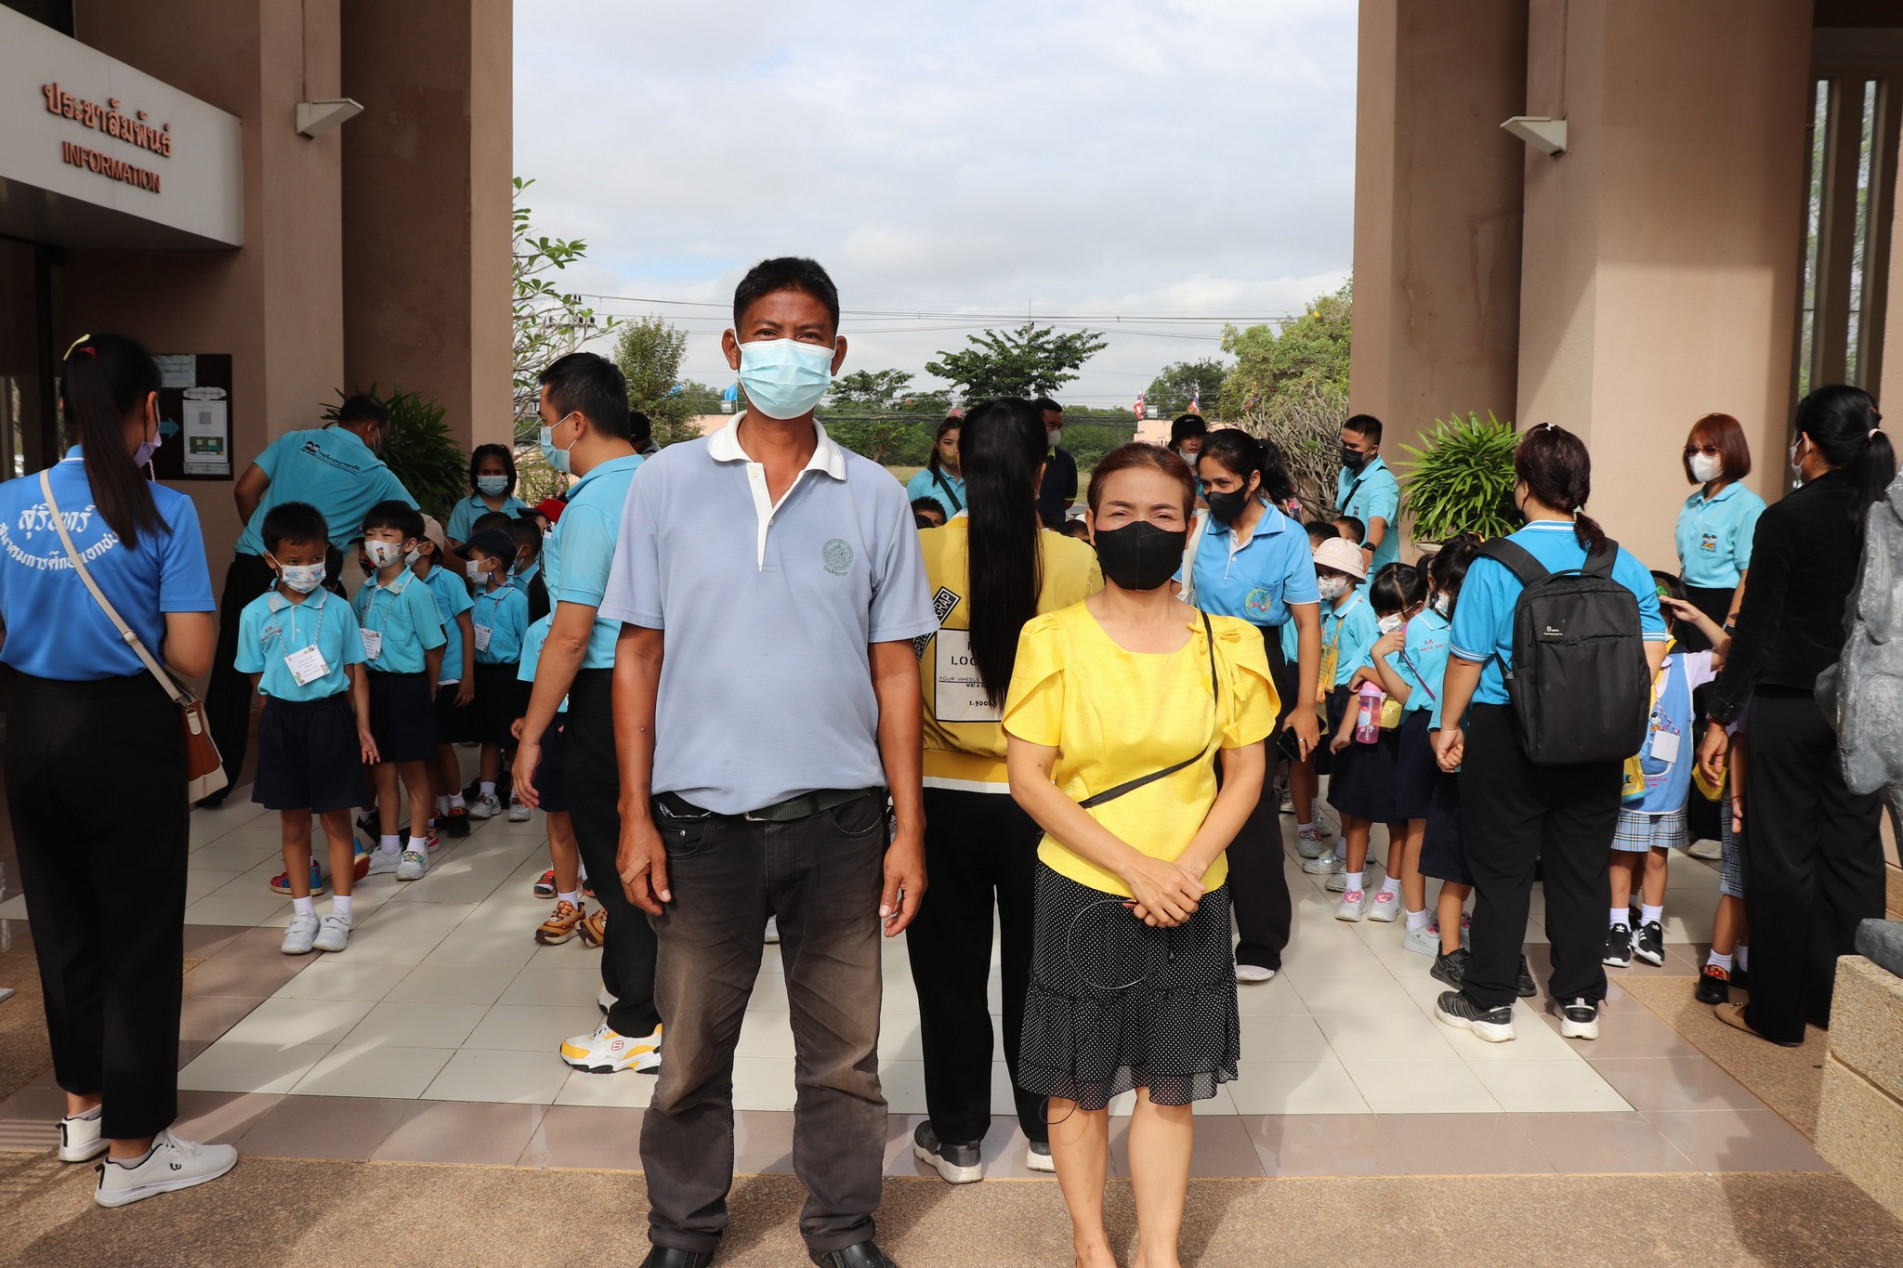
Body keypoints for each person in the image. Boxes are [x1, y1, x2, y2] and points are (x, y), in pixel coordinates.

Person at [601, 257, 934, 1268]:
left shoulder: (872, 495)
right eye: (768, 332)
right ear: (733, 347)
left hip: (841, 825)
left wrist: (909, 828)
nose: (788, 351)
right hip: (699, 827)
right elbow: (637, 655)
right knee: (690, 1053)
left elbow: (895, 671)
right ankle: (683, 1230)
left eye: (809, 335)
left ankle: (841, 1227)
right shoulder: (666, 483)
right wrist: (633, 812)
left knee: (843, 1058)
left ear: (837, 353)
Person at [1002, 443, 1273, 1268]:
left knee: (1169, 1081)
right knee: (1077, 1080)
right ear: (1090, 524)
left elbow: (1245, 772)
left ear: (1189, 526)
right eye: (1120, 512)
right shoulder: (1051, 638)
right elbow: (1028, 777)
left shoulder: (1230, 642)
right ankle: (1091, 1242)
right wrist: (1136, 868)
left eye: (1161, 513)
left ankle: (1158, 1250)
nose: (1140, 529)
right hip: (1082, 884)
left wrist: (1182, 870)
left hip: (1193, 890)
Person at [0, 332, 235, 1204]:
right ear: (149, 409)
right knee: (137, 932)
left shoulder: (6, 502)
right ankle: (135, 1154)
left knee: (61, 924)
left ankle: (83, 1112)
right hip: (124, 733)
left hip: (31, 724)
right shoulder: (163, 510)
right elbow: (192, 656)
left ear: (65, 409)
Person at [906, 397, 1102, 1184]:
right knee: (1043, 971)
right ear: (1042, 470)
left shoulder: (919, 552)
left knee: (948, 973)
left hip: (937, 795)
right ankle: (1046, 1131)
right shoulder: (1076, 564)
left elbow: (889, 670)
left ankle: (957, 1137)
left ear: (958, 462)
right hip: (1044, 800)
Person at [1433, 424, 1668, 1044]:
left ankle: (1490, 1002)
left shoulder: (1494, 564)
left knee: (1503, 870)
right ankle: (1580, 999)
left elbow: (1465, 661)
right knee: (1583, 869)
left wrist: (1448, 725)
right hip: (1598, 740)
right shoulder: (1622, 562)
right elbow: (1650, 653)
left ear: (1524, 486)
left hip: (1506, 732)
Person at [1700, 385, 1894, 1046]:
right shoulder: (1887, 516)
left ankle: (1776, 1013)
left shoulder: (1787, 518)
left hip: (1790, 707)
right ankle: (1843, 1008)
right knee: (1853, 856)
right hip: (1865, 711)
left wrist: (1721, 718)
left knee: (1781, 859)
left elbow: (1755, 632)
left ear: (1806, 443)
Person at [508, 351, 657, 1074]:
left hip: (606, 692)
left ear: (575, 421)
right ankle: (631, 983)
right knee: (649, 844)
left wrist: (531, 735)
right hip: (665, 688)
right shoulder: (661, 484)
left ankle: (639, 1024)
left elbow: (570, 635)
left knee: (618, 856)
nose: (542, 436)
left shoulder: (593, 505)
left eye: (543, 419)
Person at [204, 394, 414, 805]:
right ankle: (325, 769)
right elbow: (409, 523)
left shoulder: (294, 440)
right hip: (316, 581)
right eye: (382, 436)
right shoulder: (378, 473)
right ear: (373, 430)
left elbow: (244, 490)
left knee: (233, 667)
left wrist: (274, 550)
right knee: (329, 671)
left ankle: (214, 782)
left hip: (253, 564)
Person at [1182, 428, 1321, 981]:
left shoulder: (1287, 536)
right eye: (1205, 483)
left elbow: (1307, 625)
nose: (1211, 492)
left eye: (1223, 483)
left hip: (1261, 667)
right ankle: (1194, 921)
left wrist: (1304, 705)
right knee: (1194, 791)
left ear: (1253, 479)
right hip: (1197, 661)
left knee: (1253, 801)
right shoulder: (1198, 529)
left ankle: (1262, 937)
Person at [236, 502, 378, 954]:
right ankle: (302, 915)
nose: (307, 569)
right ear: (271, 560)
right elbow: (254, 674)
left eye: (315, 559)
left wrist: (363, 728)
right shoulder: (255, 613)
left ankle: (341, 913)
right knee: (293, 822)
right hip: (281, 720)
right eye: (294, 561)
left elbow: (357, 672)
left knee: (336, 818)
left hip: (331, 718)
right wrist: (278, 708)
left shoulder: (337, 609)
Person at [1605, 574, 1730, 970]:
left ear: (1673, 622)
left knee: (1657, 857)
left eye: (1661, 617)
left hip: (1668, 788)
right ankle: (1618, 924)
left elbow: (1732, 652)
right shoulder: (1619, 663)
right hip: (1627, 783)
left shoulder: (1685, 666)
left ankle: (1651, 925)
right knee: (1622, 856)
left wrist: (1698, 616)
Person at [352, 500, 446, 882]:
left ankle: (417, 846)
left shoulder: (416, 593)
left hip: (409, 686)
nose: (376, 542)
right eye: (370, 535)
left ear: (408, 545)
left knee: (413, 770)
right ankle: (389, 846)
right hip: (375, 687)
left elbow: (434, 647)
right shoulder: (365, 592)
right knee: (383, 770)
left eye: (386, 535)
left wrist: (428, 688)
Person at [1337, 562, 1424, 923]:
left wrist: (1371, 668)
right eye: (1379, 611)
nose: (1383, 619)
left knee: (1397, 821)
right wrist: (1344, 732)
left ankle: (1390, 891)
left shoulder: (1422, 638)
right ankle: (1353, 888)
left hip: (1401, 740)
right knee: (1358, 815)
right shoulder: (1376, 637)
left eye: (1391, 611)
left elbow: (1409, 692)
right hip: (1367, 734)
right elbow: (1357, 687)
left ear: (1416, 607)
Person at [1297, 538, 1380, 893]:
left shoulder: (1360, 612)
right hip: (1331, 695)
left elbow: (1372, 659)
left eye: (1330, 573)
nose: (1323, 579)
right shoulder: (1330, 611)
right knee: (1339, 778)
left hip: (1353, 698)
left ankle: (1353, 852)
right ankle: (1349, 847)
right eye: (1320, 572)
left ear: (1350, 577)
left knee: (1351, 780)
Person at [1412, 536, 1478, 968]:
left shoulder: (1489, 636)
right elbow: (1439, 717)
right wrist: (1446, 744)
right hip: (1449, 761)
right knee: (1451, 863)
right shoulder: (1426, 629)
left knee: (1477, 868)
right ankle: (1443, 944)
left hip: (1488, 768)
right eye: (1453, 586)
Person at [515, 613, 593, 946]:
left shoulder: (608, 620)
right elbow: (532, 687)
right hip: (552, 727)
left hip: (597, 723)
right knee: (559, 816)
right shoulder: (538, 631)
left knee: (604, 817)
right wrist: (530, 725)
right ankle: (568, 902)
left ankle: (615, 906)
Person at [455, 527, 531, 824]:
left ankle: (518, 793)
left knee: (511, 738)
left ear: (493, 563)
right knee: (487, 737)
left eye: (473, 559)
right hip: (482, 674)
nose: (469, 566)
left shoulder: (515, 599)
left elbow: (525, 641)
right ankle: (487, 794)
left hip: (509, 676)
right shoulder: (474, 597)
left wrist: (526, 683)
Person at [1674, 412, 1763, 653]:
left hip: (1723, 604)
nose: (1699, 457)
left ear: (1731, 450)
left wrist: (1730, 626)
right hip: (1687, 600)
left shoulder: (1748, 506)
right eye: (1693, 450)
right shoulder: (1691, 503)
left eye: (1710, 450)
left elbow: (1749, 572)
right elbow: (1689, 561)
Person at [415, 516, 476, 839]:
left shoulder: (449, 581)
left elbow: (466, 628)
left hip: (449, 675)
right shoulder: (405, 583)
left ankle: (456, 803)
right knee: (426, 747)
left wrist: (468, 676)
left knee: (442, 743)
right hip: (419, 676)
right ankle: (437, 806)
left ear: (427, 547)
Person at [1338, 414, 1402, 575]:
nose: (1347, 450)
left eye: (1353, 446)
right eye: (1344, 444)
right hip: (1349, 565)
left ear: (1373, 449)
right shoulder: (1346, 472)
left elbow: (1377, 522)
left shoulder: (1383, 483)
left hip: (1375, 571)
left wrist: (1369, 548)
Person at [446, 443, 531, 549]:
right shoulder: (464, 508)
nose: (491, 477)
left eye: (498, 472)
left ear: (508, 474)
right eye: (485, 472)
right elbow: (457, 550)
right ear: (476, 474)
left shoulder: (520, 508)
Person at [906, 416, 967, 515]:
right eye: (948, 443)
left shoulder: (980, 481)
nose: (955, 449)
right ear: (938, 445)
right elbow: (909, 521)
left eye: (961, 443)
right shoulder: (919, 483)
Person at [1035, 397, 1079, 528]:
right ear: (1033, 424)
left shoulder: (1066, 460)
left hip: (1055, 531)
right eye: (1052, 425)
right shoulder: (1014, 457)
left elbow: (1068, 502)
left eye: (1059, 427)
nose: (1056, 431)